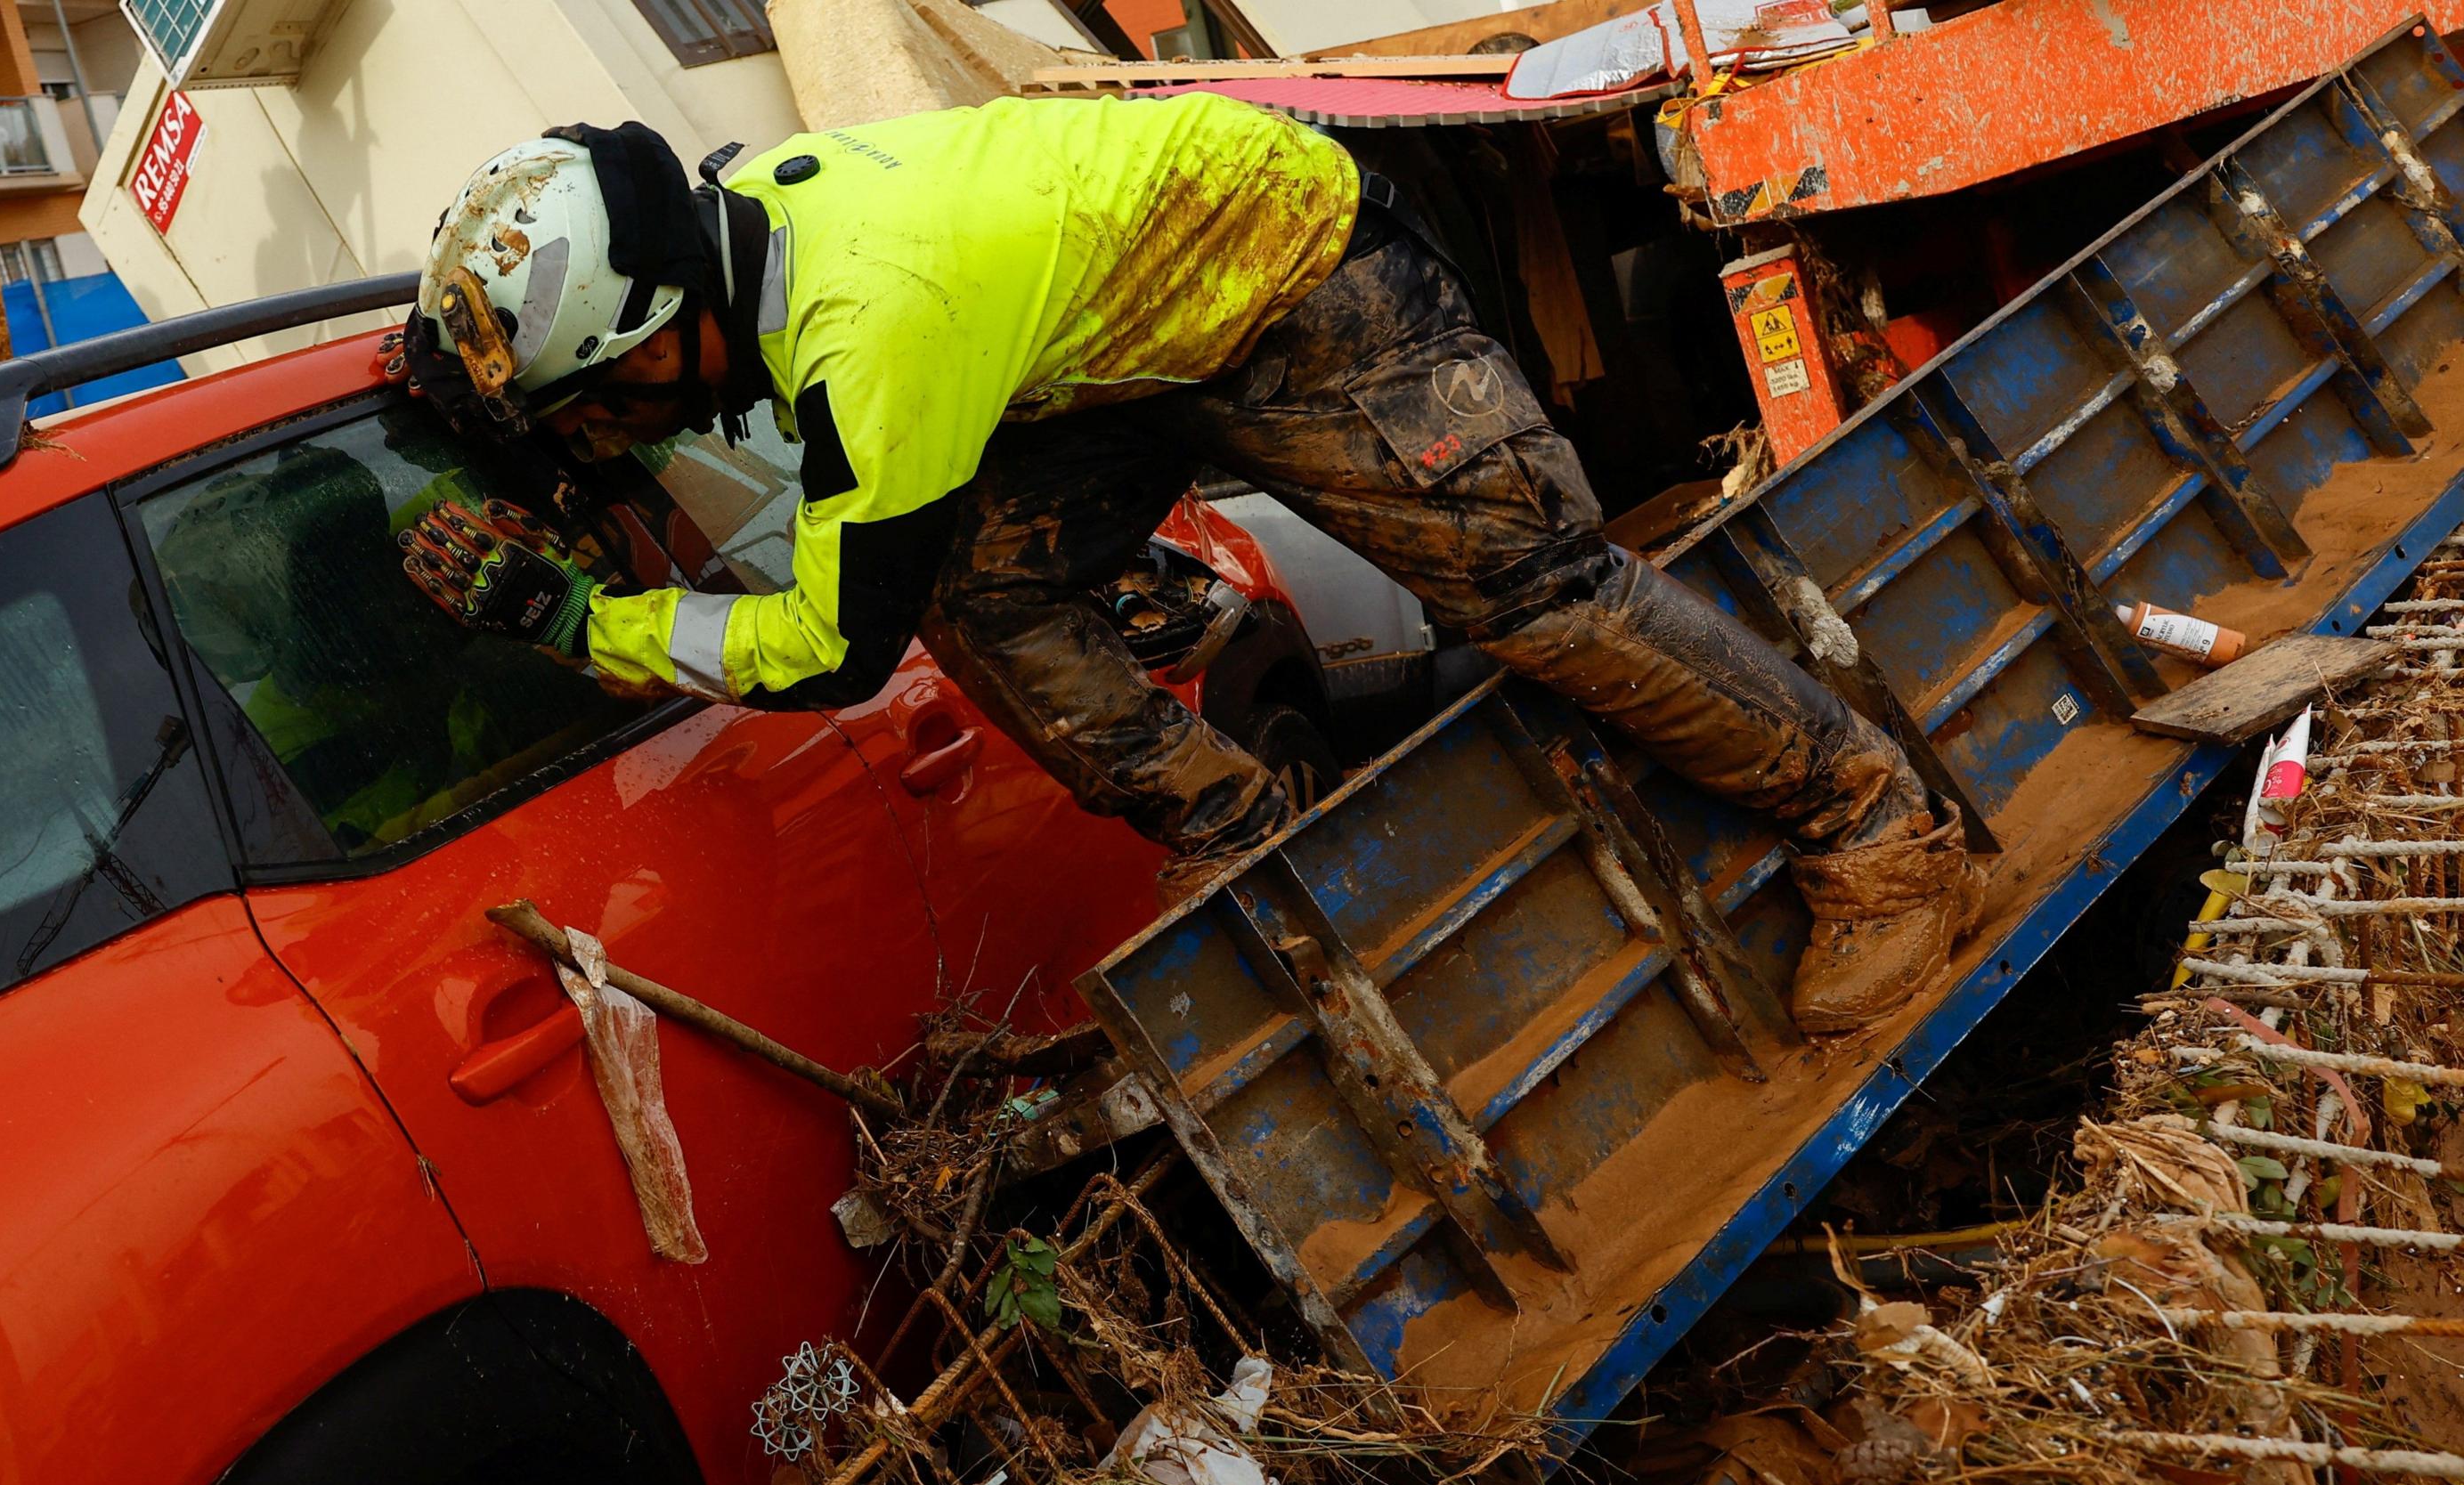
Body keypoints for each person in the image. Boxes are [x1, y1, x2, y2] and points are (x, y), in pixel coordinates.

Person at [394, 103, 1976, 1035]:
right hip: (1122, 349)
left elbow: (831, 649)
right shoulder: (746, 230)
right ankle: (1243, 834)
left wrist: (592, 622)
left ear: (664, 329)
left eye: (597, 402)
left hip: (1294, 272)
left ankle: (1876, 825)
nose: (604, 434)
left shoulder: (866, 331)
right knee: (985, 590)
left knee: (1529, 588)